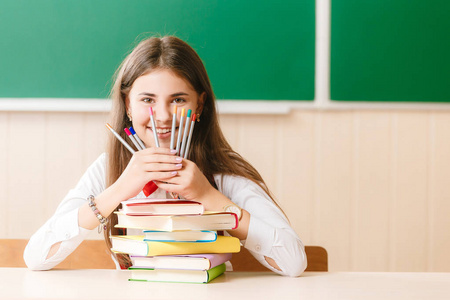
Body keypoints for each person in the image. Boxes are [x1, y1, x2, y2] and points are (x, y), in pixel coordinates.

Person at [23, 36, 306, 277]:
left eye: (178, 99)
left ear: (199, 104)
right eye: (147, 100)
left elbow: (293, 263)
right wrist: (120, 189)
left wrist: (209, 197)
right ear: (128, 105)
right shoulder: (110, 168)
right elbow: (36, 257)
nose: (162, 116)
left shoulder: (222, 172)